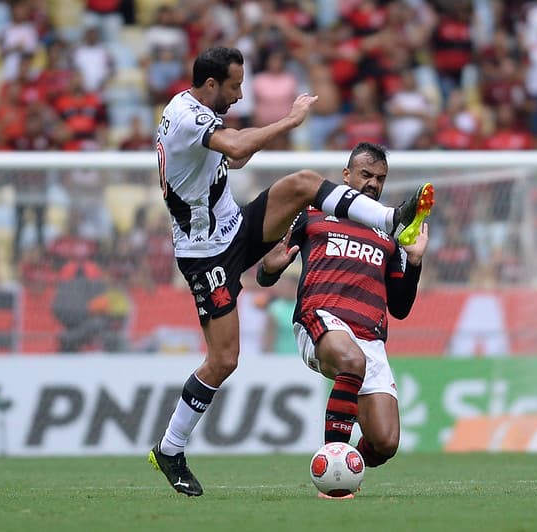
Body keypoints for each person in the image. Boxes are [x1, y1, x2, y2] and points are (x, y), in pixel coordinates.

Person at [148, 46, 434, 497]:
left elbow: (234, 158)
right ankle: (170, 448)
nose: (240, 95)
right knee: (224, 360)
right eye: (234, 86)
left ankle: (387, 219)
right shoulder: (186, 116)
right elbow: (239, 146)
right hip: (206, 254)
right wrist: (290, 120)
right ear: (209, 86)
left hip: (235, 226)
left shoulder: (197, 112)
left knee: (303, 183)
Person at [256, 142, 431, 498]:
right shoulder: (311, 213)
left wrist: (413, 262)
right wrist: (268, 271)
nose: (372, 184)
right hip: (320, 318)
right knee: (352, 360)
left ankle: (348, 468)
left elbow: (399, 307)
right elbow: (268, 269)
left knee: (385, 441)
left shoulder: (389, 233)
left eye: (380, 178)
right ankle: (333, 478)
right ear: (346, 175)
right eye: (365, 175)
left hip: (369, 335)